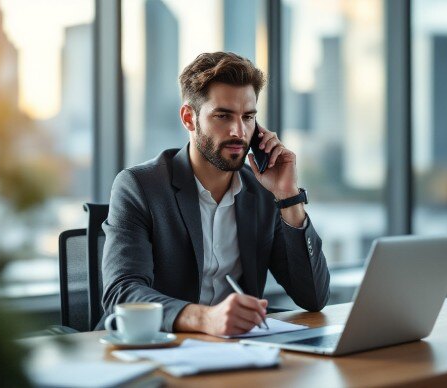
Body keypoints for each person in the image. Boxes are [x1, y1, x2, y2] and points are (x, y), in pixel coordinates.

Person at [100, 52, 329, 336]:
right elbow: (121, 293)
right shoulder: (139, 186)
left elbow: (314, 297)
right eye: (223, 116)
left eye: (248, 117)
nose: (238, 131)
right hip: (156, 349)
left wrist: (288, 196)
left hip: (236, 354)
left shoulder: (262, 193)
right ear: (188, 118)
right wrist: (207, 319)